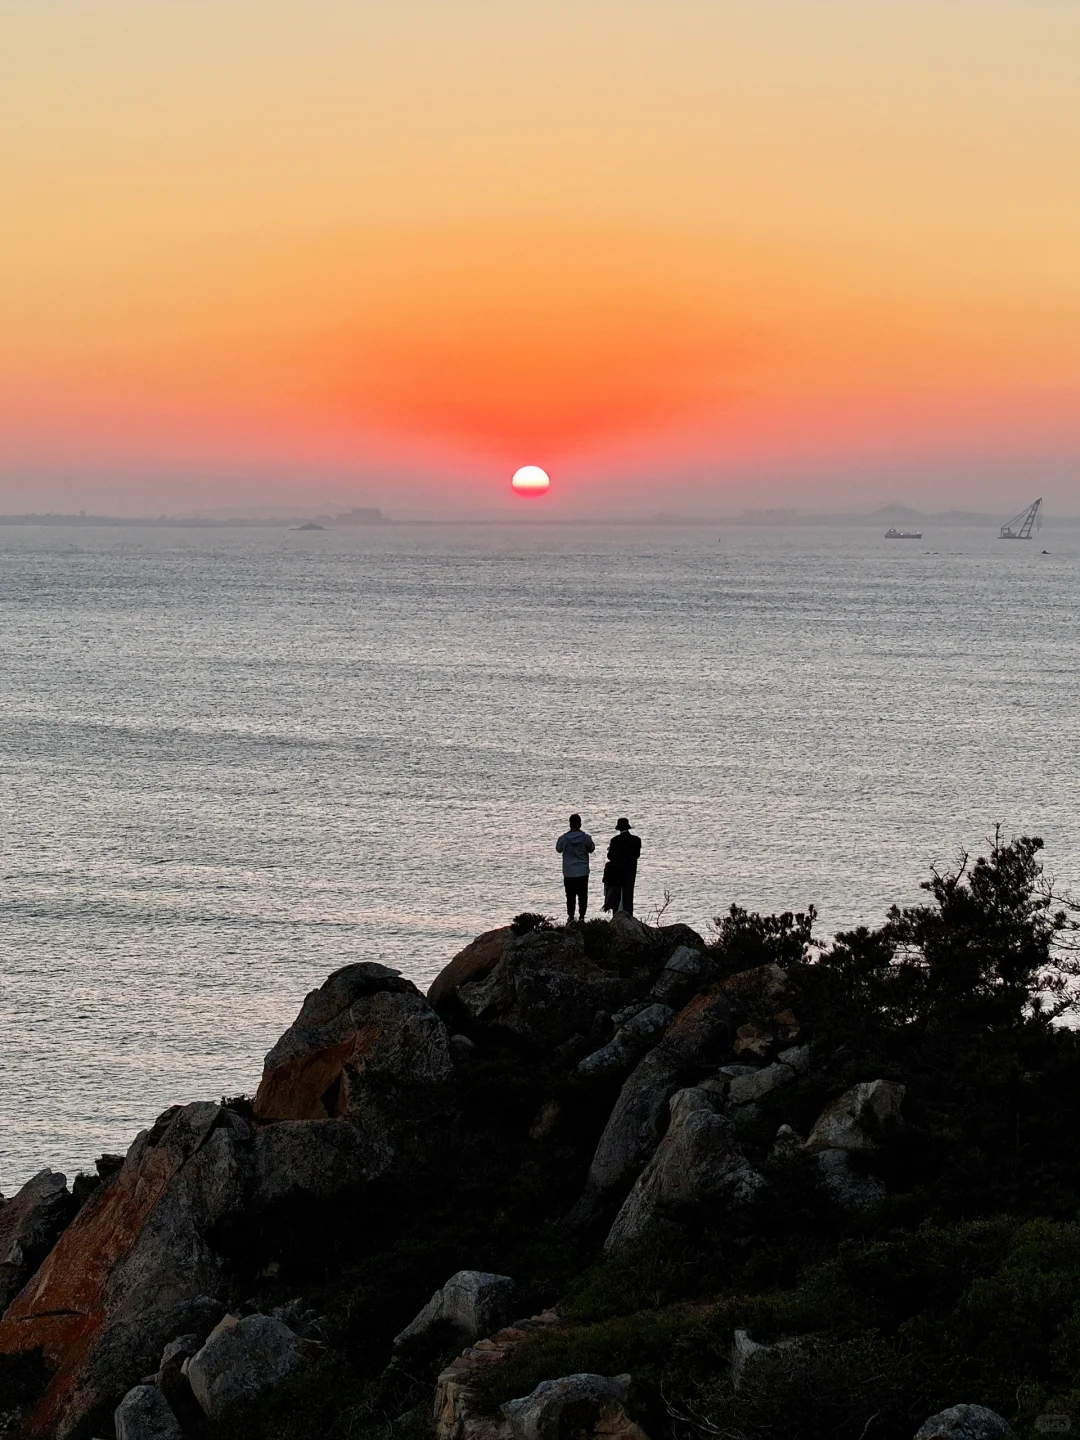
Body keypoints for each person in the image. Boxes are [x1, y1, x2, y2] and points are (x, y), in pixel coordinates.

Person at [556, 813, 594, 922]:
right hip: (582, 871)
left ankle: (571, 917)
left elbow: (558, 849)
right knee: (583, 896)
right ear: (580, 824)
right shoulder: (586, 838)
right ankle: (582, 917)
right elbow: (591, 849)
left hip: (569, 872)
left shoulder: (564, 838)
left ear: (570, 824)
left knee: (570, 896)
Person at [605, 817, 641, 916]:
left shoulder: (614, 840)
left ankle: (616, 915)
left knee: (616, 894)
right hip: (631, 870)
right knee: (628, 893)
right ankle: (629, 914)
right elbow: (637, 855)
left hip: (617, 871)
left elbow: (610, 857)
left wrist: (610, 850)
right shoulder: (636, 840)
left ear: (619, 828)